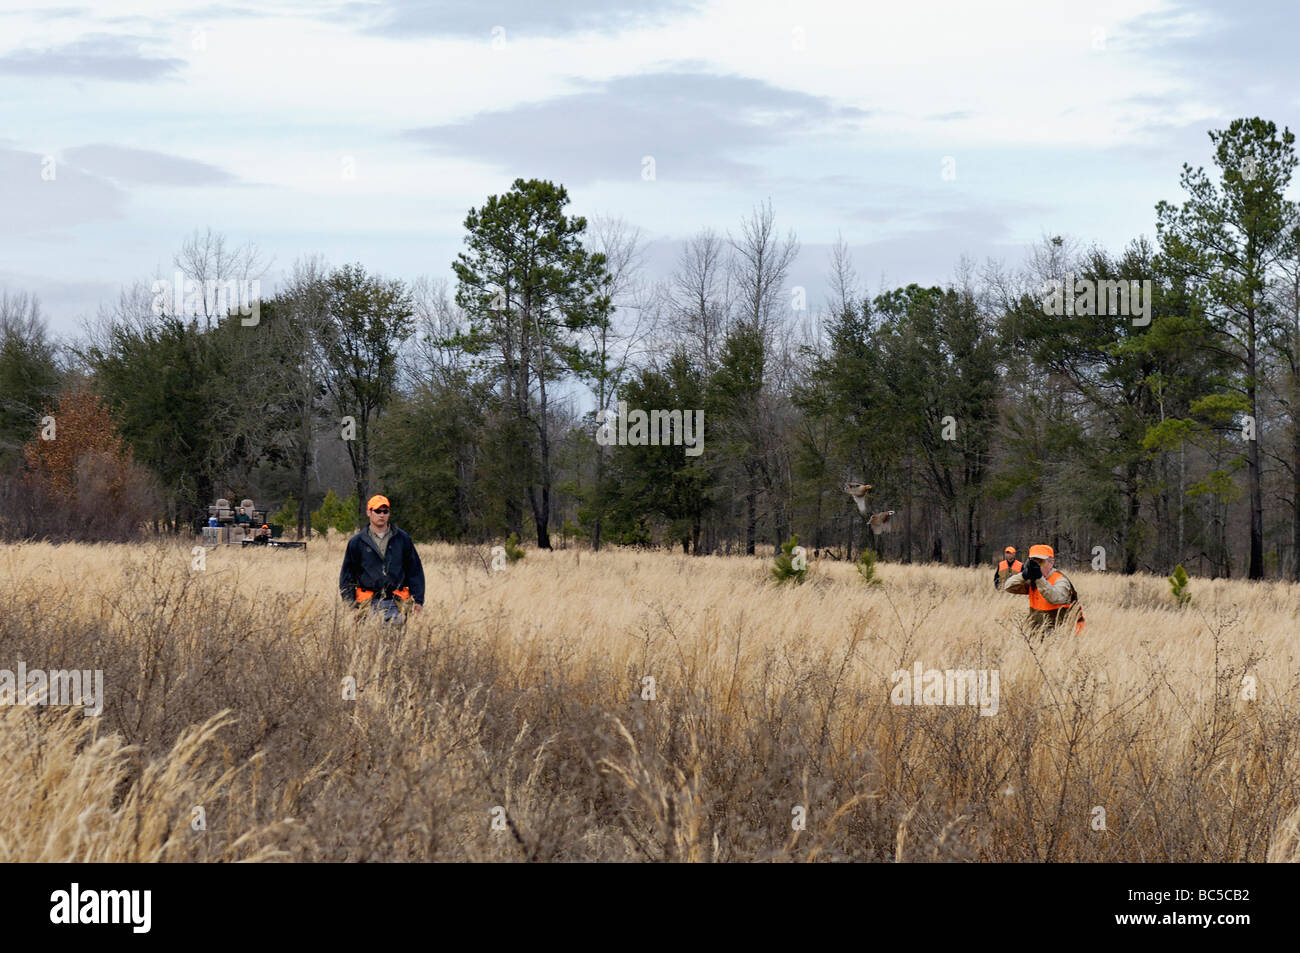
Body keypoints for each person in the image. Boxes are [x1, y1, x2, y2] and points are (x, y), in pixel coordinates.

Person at [338, 495, 425, 623]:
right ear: (369, 512)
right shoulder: (357, 542)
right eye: (377, 511)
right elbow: (347, 576)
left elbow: (415, 570)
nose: (382, 515)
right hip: (367, 604)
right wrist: (352, 605)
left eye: (385, 511)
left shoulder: (402, 538)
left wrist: (418, 600)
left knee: (397, 641)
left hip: (397, 603)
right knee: (368, 641)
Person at [1002, 544, 1085, 636]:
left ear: (1051, 562)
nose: (1037, 565)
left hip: (1059, 635)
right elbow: (1008, 587)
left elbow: (1054, 598)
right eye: (1033, 561)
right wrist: (1024, 575)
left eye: (1040, 561)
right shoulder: (1032, 580)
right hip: (1036, 634)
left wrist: (1039, 578)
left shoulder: (1060, 580)